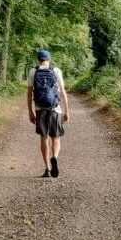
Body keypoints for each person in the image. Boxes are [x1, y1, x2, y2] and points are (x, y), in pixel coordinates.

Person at [27, 50, 69, 178]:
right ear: (49, 59)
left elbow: (29, 93)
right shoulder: (56, 71)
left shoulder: (33, 71)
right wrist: (66, 110)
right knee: (55, 138)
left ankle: (47, 169)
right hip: (55, 109)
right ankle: (54, 157)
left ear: (38, 60)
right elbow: (62, 91)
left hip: (40, 109)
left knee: (44, 138)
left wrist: (30, 111)